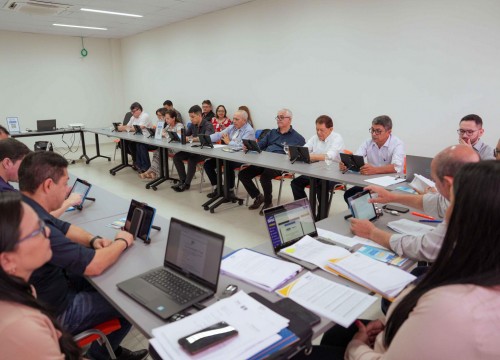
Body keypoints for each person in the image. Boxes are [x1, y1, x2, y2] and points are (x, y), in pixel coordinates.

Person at [307, 160, 500, 360]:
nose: (446, 207)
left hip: (377, 350)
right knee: (337, 331)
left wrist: (356, 346)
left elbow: (423, 247)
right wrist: (391, 322)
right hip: (398, 333)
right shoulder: (481, 271)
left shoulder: (449, 306)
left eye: (453, 200)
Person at [19, 151, 148, 360]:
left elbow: (65, 227)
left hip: (46, 294)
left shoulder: (21, 205)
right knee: (128, 301)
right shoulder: (35, 226)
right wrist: (122, 242)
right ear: (48, 185)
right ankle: (100, 356)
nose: (68, 190)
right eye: (65, 183)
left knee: (103, 278)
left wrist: (93, 240)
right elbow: (94, 265)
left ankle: (107, 350)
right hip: (57, 313)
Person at [350, 145, 479, 262]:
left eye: (435, 181)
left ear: (448, 183)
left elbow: (425, 248)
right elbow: (439, 203)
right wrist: (392, 197)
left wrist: (372, 233)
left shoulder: (467, 208)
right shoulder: (474, 189)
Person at [0, 192, 82, 359]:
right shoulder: (21, 329)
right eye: (36, 231)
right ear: (7, 261)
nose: (48, 232)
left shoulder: (18, 289)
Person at [238, 108, 305, 215]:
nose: (279, 119)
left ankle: (268, 202)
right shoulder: (272, 133)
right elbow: (260, 145)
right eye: (277, 117)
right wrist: (249, 147)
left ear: (290, 120)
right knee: (243, 174)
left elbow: (300, 156)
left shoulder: (298, 138)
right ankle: (258, 197)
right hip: (264, 162)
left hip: (280, 165)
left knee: (265, 177)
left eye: (282, 117)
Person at [0, 139, 84, 216]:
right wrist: (69, 202)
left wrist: (57, 193)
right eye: (23, 164)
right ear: (7, 163)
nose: (26, 169)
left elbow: (27, 200)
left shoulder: (4, 183)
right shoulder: (3, 192)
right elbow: (37, 218)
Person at [341, 115, 405, 203]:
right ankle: (360, 215)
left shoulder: (397, 144)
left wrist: (375, 170)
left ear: (389, 132)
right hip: (371, 181)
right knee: (349, 195)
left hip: (389, 184)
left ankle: (368, 215)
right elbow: (356, 158)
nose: (374, 134)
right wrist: (346, 165)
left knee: (362, 198)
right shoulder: (368, 142)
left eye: (378, 131)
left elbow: (396, 167)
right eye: (372, 130)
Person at [290, 115, 344, 212]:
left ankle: (321, 217)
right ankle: (306, 211)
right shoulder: (315, 138)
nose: (319, 133)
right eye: (317, 129)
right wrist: (295, 152)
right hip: (315, 172)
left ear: (331, 129)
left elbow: (328, 156)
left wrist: (309, 156)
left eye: (322, 130)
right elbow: (304, 150)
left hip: (334, 174)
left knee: (320, 187)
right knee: (295, 183)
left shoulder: (337, 138)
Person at [204, 110, 255, 198]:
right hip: (229, 154)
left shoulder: (249, 131)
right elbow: (218, 135)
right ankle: (218, 188)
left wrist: (229, 142)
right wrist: (205, 138)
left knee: (227, 164)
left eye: (237, 119)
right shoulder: (232, 127)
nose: (234, 121)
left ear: (244, 120)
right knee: (208, 164)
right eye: (233, 119)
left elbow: (242, 146)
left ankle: (230, 191)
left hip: (243, 157)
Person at [172, 105, 214, 192]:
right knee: (176, 157)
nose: (191, 119)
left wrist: (191, 139)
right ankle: (182, 181)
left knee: (192, 160)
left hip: (205, 151)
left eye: (192, 117)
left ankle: (187, 184)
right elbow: (186, 135)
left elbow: (206, 138)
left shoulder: (208, 124)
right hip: (194, 149)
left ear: (199, 115)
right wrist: (180, 134)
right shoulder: (192, 125)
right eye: (190, 117)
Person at [140, 109, 184, 180]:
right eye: (165, 118)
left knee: (159, 152)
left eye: (168, 118)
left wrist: (165, 134)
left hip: (177, 148)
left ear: (173, 118)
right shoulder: (168, 126)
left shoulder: (179, 125)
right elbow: (161, 133)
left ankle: (151, 172)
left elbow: (179, 136)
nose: (166, 120)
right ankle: (153, 173)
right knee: (157, 152)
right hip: (168, 147)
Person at [118, 102, 152, 172]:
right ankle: (136, 162)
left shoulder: (145, 116)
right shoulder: (133, 117)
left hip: (147, 139)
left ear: (139, 110)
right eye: (132, 112)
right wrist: (123, 127)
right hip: (136, 138)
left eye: (134, 111)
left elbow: (138, 128)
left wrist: (124, 128)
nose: (132, 113)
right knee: (121, 144)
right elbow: (128, 126)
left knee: (138, 144)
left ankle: (145, 166)